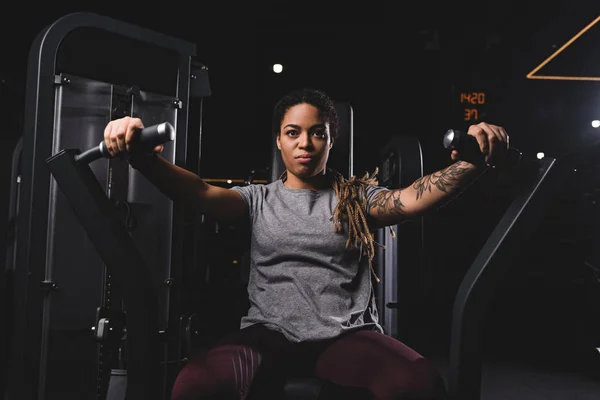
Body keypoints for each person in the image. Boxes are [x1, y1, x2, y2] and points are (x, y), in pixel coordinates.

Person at [103, 87, 508, 400]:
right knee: (195, 385)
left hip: (345, 335)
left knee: (418, 384)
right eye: (293, 133)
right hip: (267, 335)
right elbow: (199, 193)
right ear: (279, 140)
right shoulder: (257, 200)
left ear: (332, 142)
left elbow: (413, 197)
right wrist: (144, 159)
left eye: (318, 134)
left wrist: (473, 163)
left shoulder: (355, 198)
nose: (305, 144)